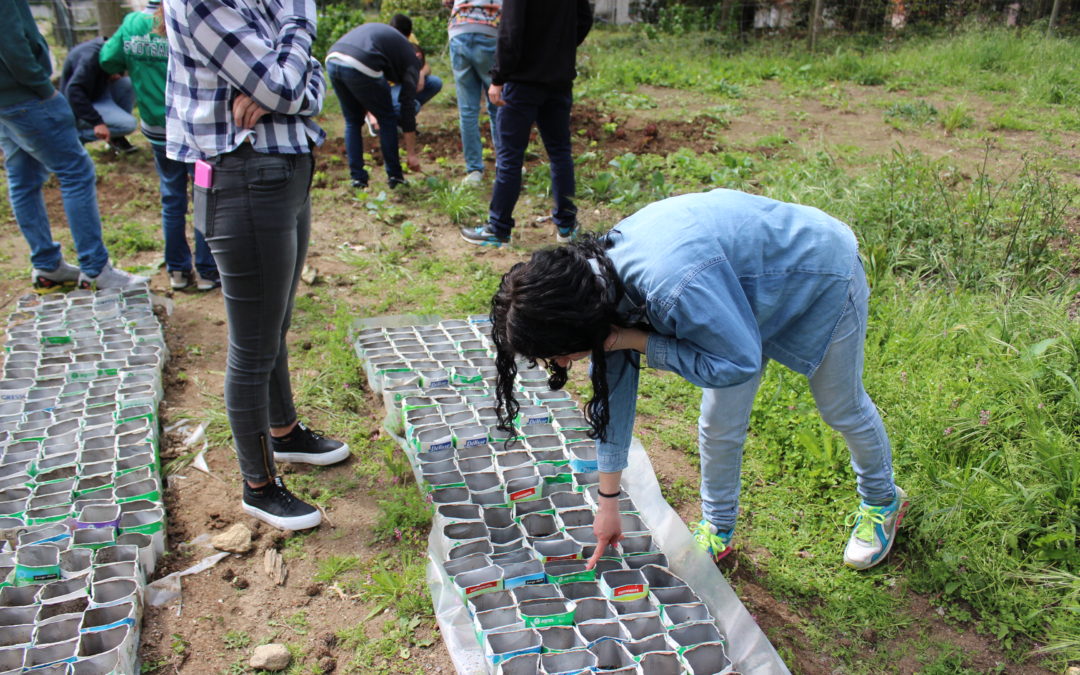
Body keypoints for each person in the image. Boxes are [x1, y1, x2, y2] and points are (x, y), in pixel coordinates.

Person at [489, 189, 909, 571]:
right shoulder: (596, 288)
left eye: (560, 352)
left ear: (576, 322)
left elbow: (735, 363)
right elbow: (612, 399)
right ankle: (718, 530)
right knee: (718, 424)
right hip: (736, 292)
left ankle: (882, 499)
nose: (562, 361)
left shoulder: (671, 286)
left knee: (841, 406)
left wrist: (639, 341)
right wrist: (608, 502)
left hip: (816, 271)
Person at [163, 0, 349, 530]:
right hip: (245, 178)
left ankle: (284, 432)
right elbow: (290, 87)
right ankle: (258, 484)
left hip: (286, 171)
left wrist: (286, 89)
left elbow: (308, 87)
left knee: (276, 323)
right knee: (253, 343)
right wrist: (298, 27)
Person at [0, 0, 148, 291]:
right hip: (27, 97)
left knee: (23, 177)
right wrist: (44, 89)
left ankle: (47, 266)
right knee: (75, 171)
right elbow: (11, 44)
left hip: (6, 101)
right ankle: (95, 270)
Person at [100, 1, 220, 291]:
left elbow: (108, 59)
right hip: (194, 129)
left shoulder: (132, 24)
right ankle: (207, 271)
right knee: (204, 195)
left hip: (157, 128)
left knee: (172, 197)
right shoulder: (189, 16)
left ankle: (177, 272)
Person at [460, 0, 592, 247]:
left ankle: (498, 228)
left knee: (509, 157)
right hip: (559, 80)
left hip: (522, 82)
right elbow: (584, 19)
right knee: (560, 153)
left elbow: (511, 30)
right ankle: (566, 225)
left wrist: (498, 77)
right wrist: (559, 49)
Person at [325, 23, 422, 190]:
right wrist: (411, 154)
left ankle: (358, 179)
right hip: (361, 60)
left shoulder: (394, 46)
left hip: (333, 58)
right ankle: (395, 177)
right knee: (387, 119)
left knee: (352, 121)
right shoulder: (412, 62)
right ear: (418, 56)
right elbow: (407, 108)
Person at [443, 0, 501, 186]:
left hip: (459, 31)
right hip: (490, 30)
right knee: (497, 103)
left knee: (467, 110)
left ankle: (474, 170)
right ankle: (505, 163)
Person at [60, 37, 138, 153]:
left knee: (127, 84)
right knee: (128, 125)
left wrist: (113, 72)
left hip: (99, 94)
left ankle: (116, 138)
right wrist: (97, 122)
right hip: (80, 105)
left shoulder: (107, 48)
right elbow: (74, 91)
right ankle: (73, 137)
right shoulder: (89, 58)